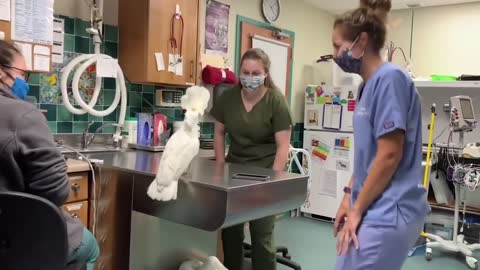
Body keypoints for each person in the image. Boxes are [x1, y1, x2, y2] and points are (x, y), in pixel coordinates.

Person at [328, 1, 430, 269]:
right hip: (372, 205)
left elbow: (389, 155)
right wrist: (348, 200)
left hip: (390, 209)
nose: (336, 54)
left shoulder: (390, 78)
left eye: (338, 46)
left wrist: (357, 209)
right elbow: (368, 156)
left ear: (361, 41)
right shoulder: (366, 87)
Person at [0, 40, 99, 270]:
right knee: (90, 246)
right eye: (23, 74)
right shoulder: (23, 115)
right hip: (22, 241)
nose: (25, 82)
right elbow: (56, 192)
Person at [211, 48, 292, 270]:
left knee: (261, 235)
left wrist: (273, 182)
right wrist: (219, 167)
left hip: (265, 172)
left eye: (256, 73)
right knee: (230, 233)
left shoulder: (276, 101)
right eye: (245, 72)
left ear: (265, 73)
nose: (250, 77)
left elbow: (283, 145)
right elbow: (218, 132)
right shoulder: (228, 98)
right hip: (233, 174)